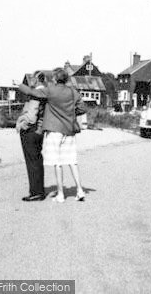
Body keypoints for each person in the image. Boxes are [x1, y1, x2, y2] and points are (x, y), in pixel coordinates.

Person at [18, 68, 87, 203]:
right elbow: (82, 109)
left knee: (57, 163)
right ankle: (80, 190)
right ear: (66, 79)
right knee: (72, 161)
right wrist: (70, 113)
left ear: (55, 79)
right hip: (69, 130)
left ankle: (61, 194)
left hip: (55, 129)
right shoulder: (73, 92)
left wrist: (19, 85)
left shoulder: (51, 90)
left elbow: (33, 92)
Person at [16, 71, 47, 201]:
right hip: (39, 130)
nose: (31, 81)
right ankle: (39, 190)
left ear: (36, 79)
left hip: (31, 130)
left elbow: (32, 115)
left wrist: (22, 124)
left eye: (32, 79)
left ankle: (36, 192)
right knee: (37, 160)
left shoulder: (36, 94)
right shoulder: (44, 92)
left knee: (32, 161)